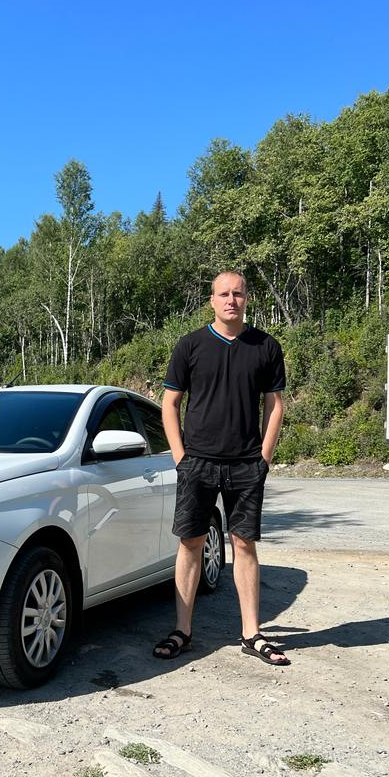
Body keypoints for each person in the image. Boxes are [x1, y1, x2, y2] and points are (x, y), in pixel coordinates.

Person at [154, 270, 290, 666]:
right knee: (191, 543)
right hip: (198, 463)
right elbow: (170, 403)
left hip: (247, 464)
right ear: (211, 300)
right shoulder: (190, 345)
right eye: (224, 294)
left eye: (238, 294)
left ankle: (252, 633)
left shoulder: (265, 346)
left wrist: (264, 457)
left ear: (247, 299)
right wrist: (181, 457)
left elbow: (275, 404)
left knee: (244, 544)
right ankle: (183, 630)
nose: (231, 300)